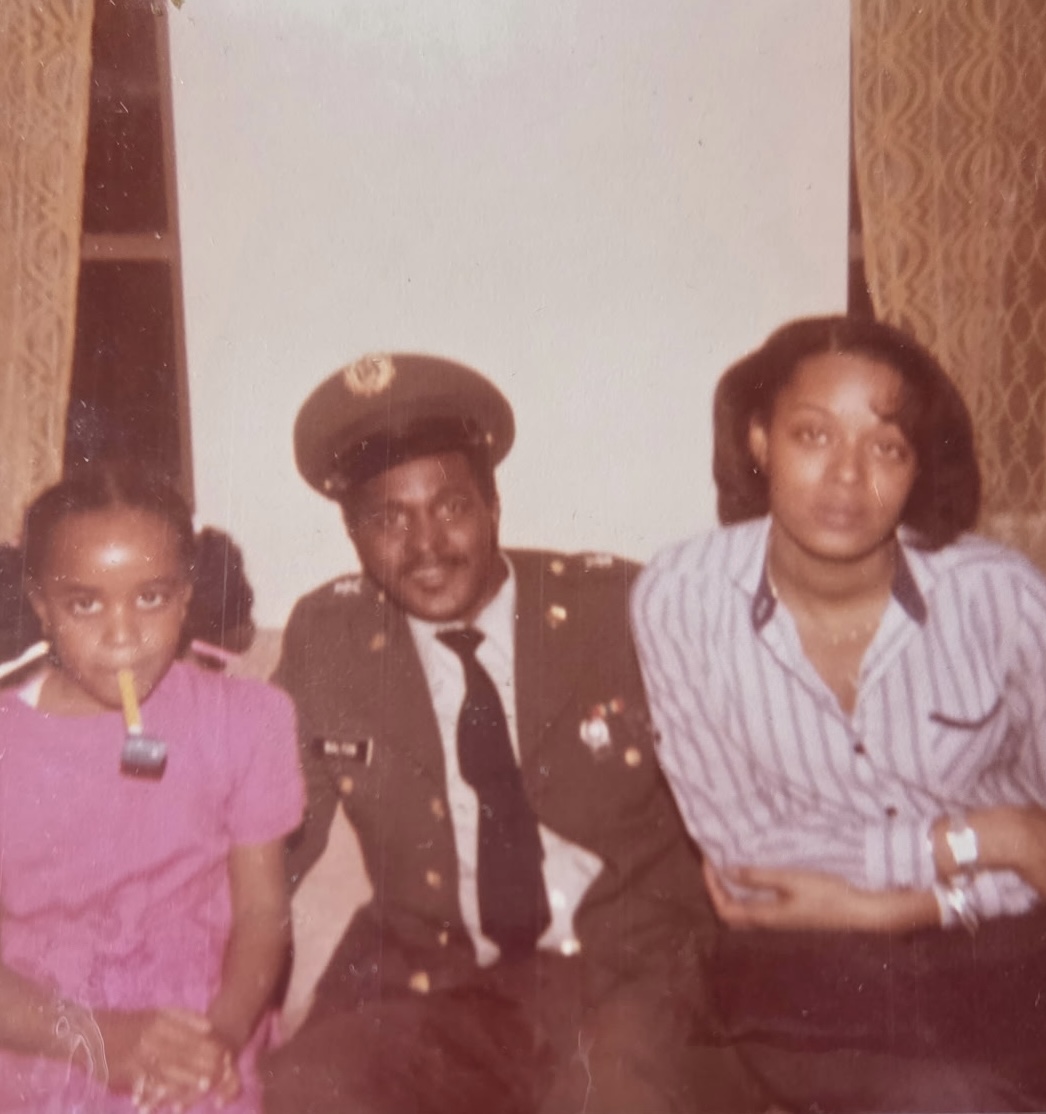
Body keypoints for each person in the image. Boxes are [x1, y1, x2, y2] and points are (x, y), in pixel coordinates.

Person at [631, 314, 1046, 1113]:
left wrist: (905, 903)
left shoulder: (1004, 598)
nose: (847, 478)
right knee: (948, 1101)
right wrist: (993, 837)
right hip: (806, 959)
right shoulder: (680, 599)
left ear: (919, 466)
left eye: (887, 447)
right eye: (813, 435)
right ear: (758, 440)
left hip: (1019, 949)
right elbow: (747, 850)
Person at [261, 353, 744, 1114]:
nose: (425, 545)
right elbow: (269, 833)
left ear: (493, 505)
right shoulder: (331, 638)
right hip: (426, 981)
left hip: (623, 975)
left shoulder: (619, 609)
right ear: (352, 532)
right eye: (388, 518)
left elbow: (746, 785)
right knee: (303, 1094)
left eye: (450, 506)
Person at [0, 463, 305, 1113]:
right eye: (85, 603)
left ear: (187, 594)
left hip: (196, 1021)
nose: (122, 636)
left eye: (151, 597)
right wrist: (101, 1041)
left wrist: (221, 1035)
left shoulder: (249, 719)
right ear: (40, 606)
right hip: (37, 1026)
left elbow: (260, 914)